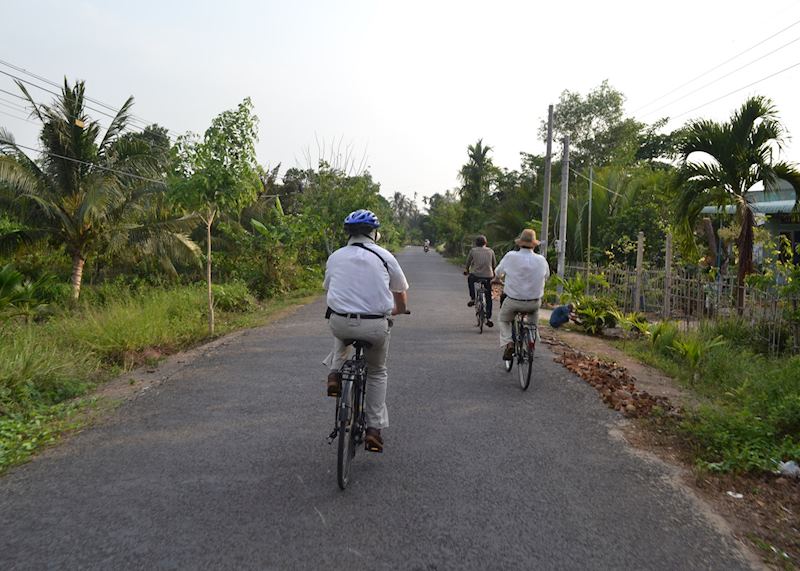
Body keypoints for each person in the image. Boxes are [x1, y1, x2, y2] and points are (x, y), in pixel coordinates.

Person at [323, 209, 409, 453]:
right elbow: (400, 291)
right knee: (377, 372)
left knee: (341, 328)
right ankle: (373, 429)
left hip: (340, 322)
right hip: (374, 326)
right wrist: (399, 310)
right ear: (374, 233)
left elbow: (328, 288)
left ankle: (334, 374)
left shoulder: (335, 256)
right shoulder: (385, 256)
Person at [494, 229, 550, 361]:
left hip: (513, 301)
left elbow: (498, 272)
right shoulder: (541, 260)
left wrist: (498, 278)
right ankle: (532, 341)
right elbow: (546, 276)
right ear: (534, 244)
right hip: (534, 303)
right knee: (532, 323)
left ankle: (509, 343)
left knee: (503, 319)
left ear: (520, 243)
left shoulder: (510, 256)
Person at [464, 235, 497, 327]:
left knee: (470, 279)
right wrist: (495, 275)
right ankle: (489, 318)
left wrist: (466, 270)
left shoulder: (473, 251)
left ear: (476, 243)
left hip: (476, 275)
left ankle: (473, 298)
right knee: (488, 297)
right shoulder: (491, 251)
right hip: (488, 276)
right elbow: (494, 265)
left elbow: (468, 263)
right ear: (485, 243)